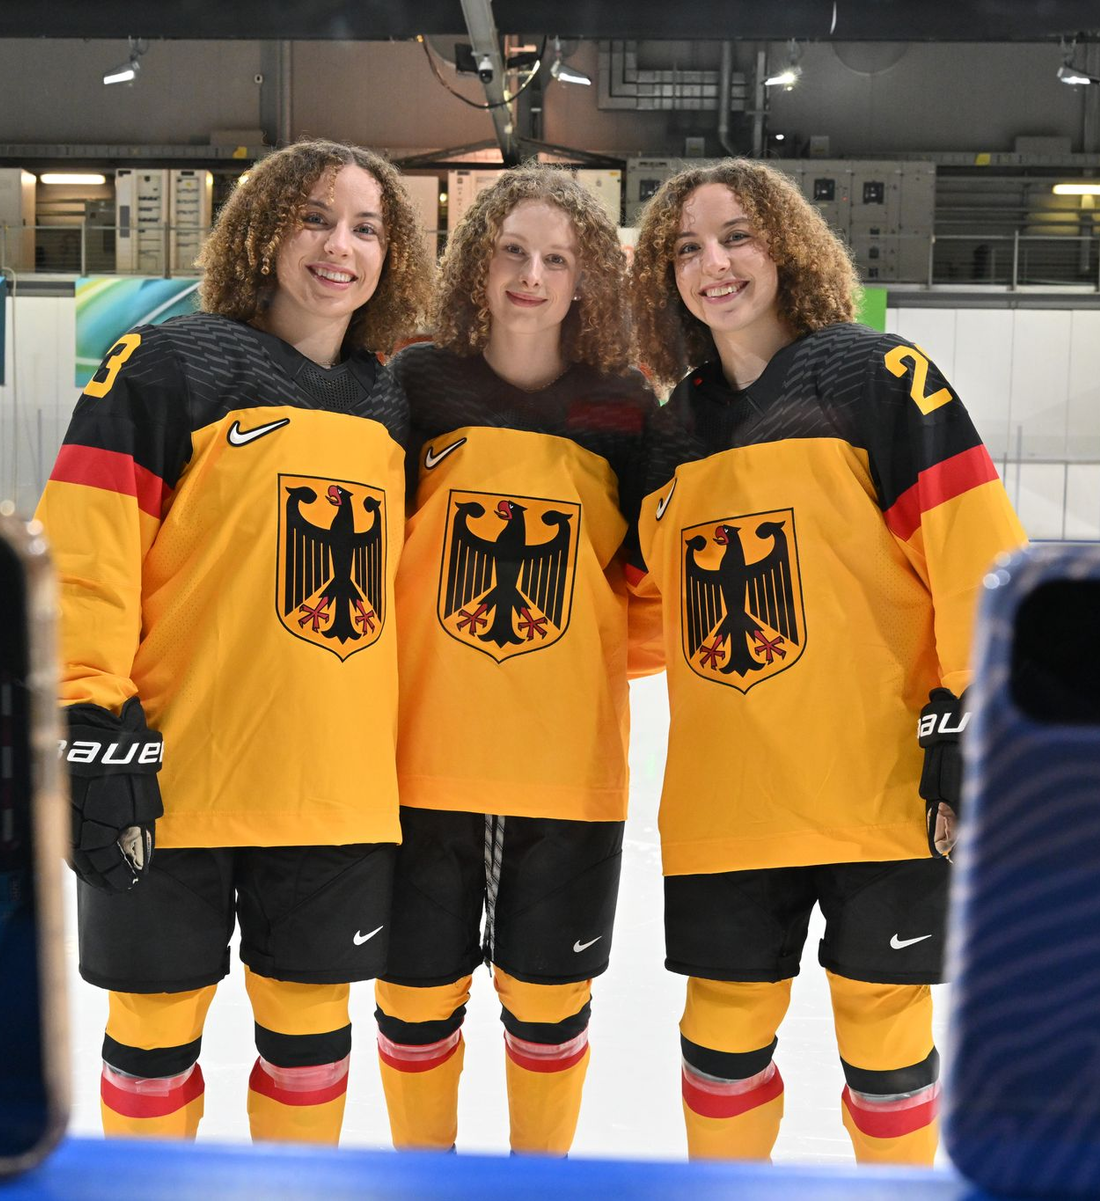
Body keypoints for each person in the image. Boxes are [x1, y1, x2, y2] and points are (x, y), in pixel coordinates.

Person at [35, 139, 434, 1143]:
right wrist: (87, 714)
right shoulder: (171, 362)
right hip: (175, 779)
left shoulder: (393, 403)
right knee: (153, 1031)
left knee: (310, 1038)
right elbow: (85, 552)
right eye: (315, 219)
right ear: (261, 232)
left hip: (332, 788)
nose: (341, 247)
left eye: (367, 228)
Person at [629, 159, 1025, 1166]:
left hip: (880, 790)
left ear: (788, 246)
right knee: (720, 1037)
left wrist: (968, 721)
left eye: (737, 236)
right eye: (687, 248)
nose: (713, 264)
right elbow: (637, 616)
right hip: (727, 802)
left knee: (886, 1040)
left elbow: (979, 559)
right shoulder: (667, 434)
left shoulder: (874, 376)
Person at [373, 164, 660, 1156]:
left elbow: (655, 579)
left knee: (549, 1004)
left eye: (558, 259)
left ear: (588, 280)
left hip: (565, 766)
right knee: (415, 1001)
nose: (532, 276)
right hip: (419, 760)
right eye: (512, 251)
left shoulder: (627, 404)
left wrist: (581, 661)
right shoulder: (415, 382)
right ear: (476, 263)